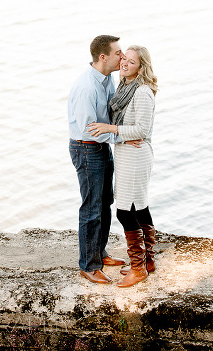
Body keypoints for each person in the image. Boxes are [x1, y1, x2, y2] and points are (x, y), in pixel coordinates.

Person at [87, 45, 158, 288]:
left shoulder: (142, 92)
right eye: (124, 59)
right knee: (139, 209)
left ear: (141, 67)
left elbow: (142, 130)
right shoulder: (125, 87)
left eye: (132, 62)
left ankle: (138, 269)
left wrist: (112, 129)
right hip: (127, 154)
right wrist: (121, 134)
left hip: (137, 156)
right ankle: (147, 262)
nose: (125, 64)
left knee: (125, 212)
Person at [67, 35, 129, 284]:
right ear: (103, 57)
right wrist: (121, 137)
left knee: (106, 203)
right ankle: (89, 266)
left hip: (101, 147)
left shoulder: (107, 79)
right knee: (91, 207)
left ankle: (100, 254)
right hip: (87, 148)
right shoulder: (86, 86)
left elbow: (110, 116)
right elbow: (88, 127)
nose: (122, 57)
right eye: (118, 53)